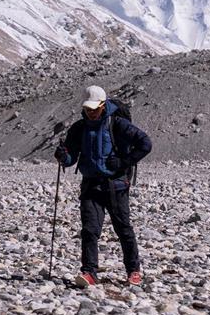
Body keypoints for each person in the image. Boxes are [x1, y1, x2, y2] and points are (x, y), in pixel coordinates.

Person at [54, 85, 152, 287]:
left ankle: (133, 270)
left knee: (123, 229)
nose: (90, 113)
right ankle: (89, 272)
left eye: (94, 109)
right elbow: (72, 157)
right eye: (87, 109)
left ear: (103, 104)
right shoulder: (79, 128)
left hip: (116, 186)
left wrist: (125, 161)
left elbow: (145, 143)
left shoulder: (118, 124)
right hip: (91, 186)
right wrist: (64, 157)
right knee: (89, 230)